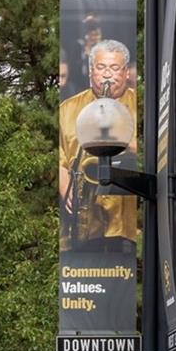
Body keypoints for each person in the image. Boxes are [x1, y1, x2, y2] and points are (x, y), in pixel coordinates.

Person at [58, 39, 139, 250]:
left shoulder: (143, 105)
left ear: (126, 73)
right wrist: (67, 189)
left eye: (114, 68)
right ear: (91, 71)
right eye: (101, 67)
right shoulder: (67, 108)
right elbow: (60, 158)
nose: (107, 75)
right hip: (85, 218)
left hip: (127, 220)